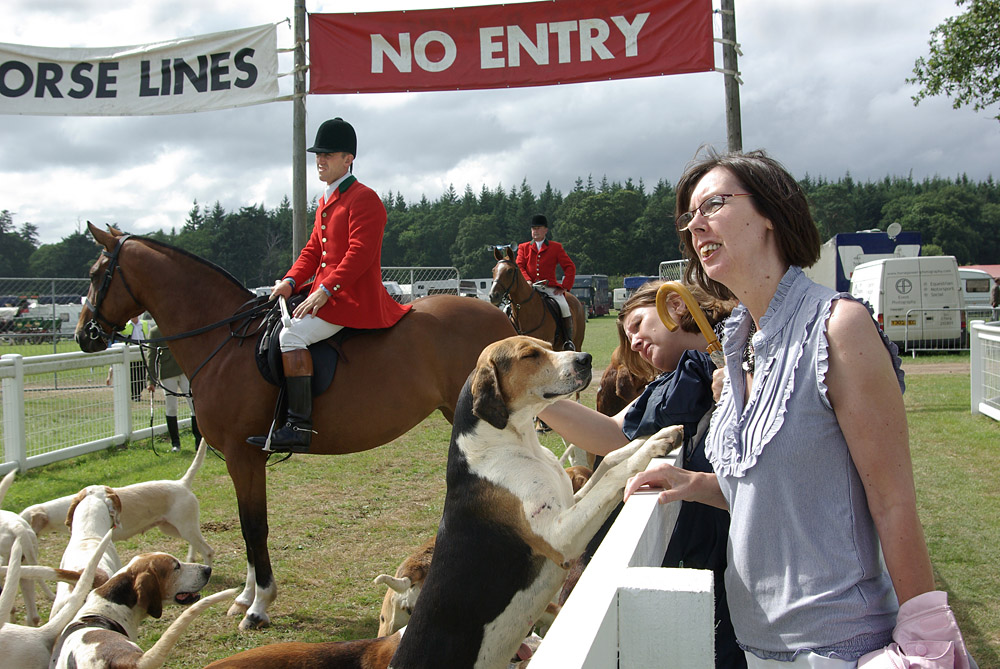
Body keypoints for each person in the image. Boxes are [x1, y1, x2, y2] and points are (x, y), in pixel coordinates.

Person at [624, 149, 971, 667]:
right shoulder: (741, 342)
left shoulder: (838, 327)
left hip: (840, 648)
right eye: (688, 218)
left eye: (712, 205)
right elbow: (789, 487)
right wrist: (694, 485)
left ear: (769, 213)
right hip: (758, 649)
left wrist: (926, 642)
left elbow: (892, 501)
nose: (695, 227)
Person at [537, 280, 745, 668]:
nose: (632, 342)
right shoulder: (674, 381)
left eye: (637, 324)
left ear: (673, 305)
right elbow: (611, 434)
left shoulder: (738, 350)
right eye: (627, 335)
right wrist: (532, 393)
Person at [246, 118, 411, 453]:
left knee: (291, 335)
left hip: (352, 298)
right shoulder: (326, 200)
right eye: (318, 154)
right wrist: (291, 282)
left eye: (328, 154)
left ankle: (298, 425)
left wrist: (325, 290)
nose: (319, 160)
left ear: (348, 158)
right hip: (327, 295)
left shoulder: (364, 199)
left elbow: (360, 254)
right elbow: (313, 250)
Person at [515, 213, 577, 350]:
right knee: (508, 308)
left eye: (538, 228)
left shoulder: (556, 247)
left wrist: (565, 286)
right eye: (533, 228)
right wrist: (528, 280)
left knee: (564, 307)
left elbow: (570, 267)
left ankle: (568, 341)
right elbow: (519, 265)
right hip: (529, 288)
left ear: (545, 230)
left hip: (549, 288)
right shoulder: (523, 247)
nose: (535, 231)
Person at [147, 323, 200, 452]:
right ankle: (175, 443)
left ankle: (199, 440)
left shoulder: (177, 325)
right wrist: (151, 380)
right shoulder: (154, 332)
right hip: (167, 373)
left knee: (193, 405)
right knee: (171, 408)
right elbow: (151, 355)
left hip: (184, 371)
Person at [106, 315, 149, 401]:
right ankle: (135, 394)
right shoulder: (126, 326)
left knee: (141, 375)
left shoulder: (144, 324)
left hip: (141, 352)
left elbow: (147, 336)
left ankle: (138, 393)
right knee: (132, 375)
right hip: (130, 353)